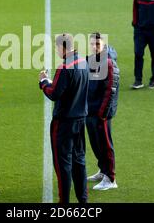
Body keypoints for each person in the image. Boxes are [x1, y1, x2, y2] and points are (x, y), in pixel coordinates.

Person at [39, 34, 89, 203]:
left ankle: (64, 203)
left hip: (64, 122)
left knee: (63, 164)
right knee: (79, 160)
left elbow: (54, 94)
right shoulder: (83, 62)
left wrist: (43, 82)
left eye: (57, 48)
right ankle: (83, 200)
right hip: (80, 119)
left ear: (62, 47)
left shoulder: (64, 67)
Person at [86, 33, 119, 191]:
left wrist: (102, 113)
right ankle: (102, 170)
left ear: (103, 45)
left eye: (97, 44)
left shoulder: (108, 63)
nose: (94, 47)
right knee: (95, 143)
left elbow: (110, 90)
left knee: (106, 145)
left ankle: (110, 178)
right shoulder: (92, 60)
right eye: (92, 44)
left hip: (101, 113)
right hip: (90, 111)